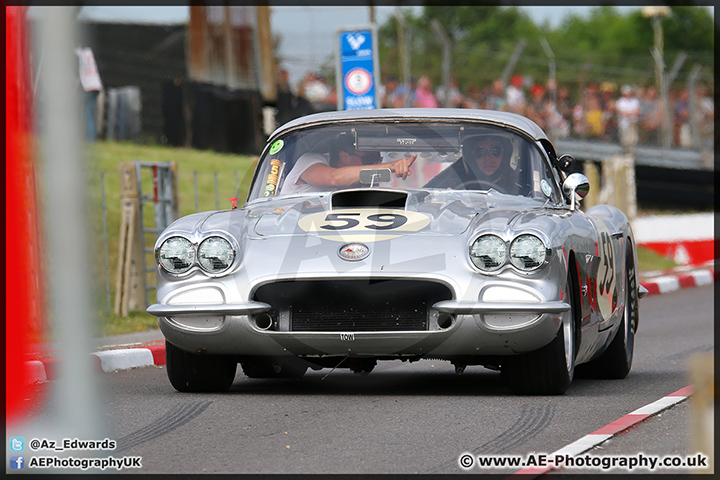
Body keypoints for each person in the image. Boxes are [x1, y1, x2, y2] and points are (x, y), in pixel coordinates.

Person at [279, 133, 416, 195]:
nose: (374, 163)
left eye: (377, 160)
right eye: (368, 159)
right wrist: (389, 166)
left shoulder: (357, 186)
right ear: (343, 156)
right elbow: (334, 178)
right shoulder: (309, 160)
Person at [424, 134, 516, 193]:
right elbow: (423, 197)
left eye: (494, 151)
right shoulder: (456, 180)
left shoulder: (517, 184)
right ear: (472, 156)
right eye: (479, 152)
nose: (487, 157)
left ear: (505, 153)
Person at [75, 45, 103, 141]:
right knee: (88, 113)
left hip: (87, 87)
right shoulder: (89, 51)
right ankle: (91, 139)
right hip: (96, 85)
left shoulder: (77, 54)